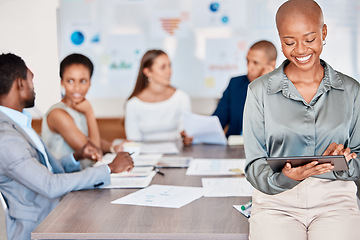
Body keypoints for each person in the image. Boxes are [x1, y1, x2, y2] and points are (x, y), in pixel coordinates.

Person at [243, 0, 360, 239]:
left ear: (323, 32)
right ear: (280, 38)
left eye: (309, 39)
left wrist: (342, 163)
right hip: (276, 202)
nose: (300, 50)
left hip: (335, 199)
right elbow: (254, 164)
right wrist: (285, 178)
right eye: (289, 42)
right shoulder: (259, 91)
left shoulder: (351, 90)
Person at [0, 53, 134, 240]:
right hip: (40, 227)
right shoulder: (6, 138)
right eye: (31, 80)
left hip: (60, 213)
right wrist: (109, 168)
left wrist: (76, 156)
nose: (34, 88)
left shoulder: (20, 124)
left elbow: (49, 172)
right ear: (20, 84)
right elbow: (50, 185)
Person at [41, 53, 123, 169]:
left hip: (83, 177)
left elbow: (88, 138)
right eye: (70, 81)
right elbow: (94, 151)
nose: (77, 88)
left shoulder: (79, 108)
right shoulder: (58, 114)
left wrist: (113, 147)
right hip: (66, 180)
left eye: (83, 81)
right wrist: (89, 113)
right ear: (62, 82)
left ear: (90, 83)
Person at [125, 49, 192, 143]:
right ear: (148, 72)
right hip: (145, 156)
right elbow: (133, 141)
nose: (169, 71)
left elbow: (185, 134)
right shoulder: (133, 104)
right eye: (163, 67)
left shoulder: (182, 98)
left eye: (169, 66)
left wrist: (187, 138)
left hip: (177, 154)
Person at [213, 40, 277, 137]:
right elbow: (217, 121)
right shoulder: (235, 84)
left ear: (271, 65)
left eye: (255, 63)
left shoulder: (282, 89)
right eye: (248, 61)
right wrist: (196, 134)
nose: (249, 67)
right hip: (234, 148)